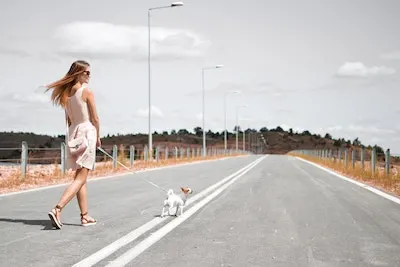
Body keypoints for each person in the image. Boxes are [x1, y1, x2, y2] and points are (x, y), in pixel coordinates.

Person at [45, 60, 101, 229]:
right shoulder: (86, 92)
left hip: (73, 133)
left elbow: (68, 120)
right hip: (87, 133)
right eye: (87, 73)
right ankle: (57, 209)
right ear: (79, 73)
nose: (89, 76)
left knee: (79, 176)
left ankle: (84, 216)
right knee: (82, 176)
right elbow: (95, 118)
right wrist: (97, 137)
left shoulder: (66, 95)